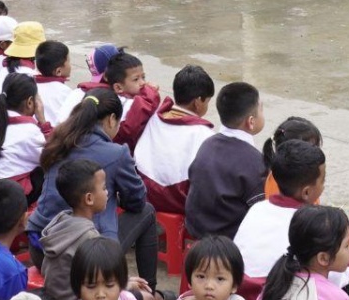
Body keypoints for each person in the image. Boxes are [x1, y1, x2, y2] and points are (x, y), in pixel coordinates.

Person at [28, 88, 159, 285]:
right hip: (84, 258)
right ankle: (151, 291)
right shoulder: (116, 153)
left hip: (41, 249)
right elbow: (137, 201)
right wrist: (114, 195)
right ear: (111, 119)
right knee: (147, 212)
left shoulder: (58, 141)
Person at [234, 140, 342, 285]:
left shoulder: (257, 208)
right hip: (276, 297)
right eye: (323, 181)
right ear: (306, 192)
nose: (324, 186)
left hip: (239, 289)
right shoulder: (314, 226)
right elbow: (335, 277)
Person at [184, 82, 267, 242]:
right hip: (229, 239)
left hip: (197, 228)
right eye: (261, 110)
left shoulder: (207, 144)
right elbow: (260, 212)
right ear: (251, 121)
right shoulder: (255, 161)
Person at [135, 65, 216, 214]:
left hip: (144, 193)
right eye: (207, 101)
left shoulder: (154, 118)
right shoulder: (204, 134)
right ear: (198, 102)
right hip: (177, 202)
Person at [38, 158, 106, 300]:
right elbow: (100, 284)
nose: (107, 192)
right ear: (89, 198)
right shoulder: (90, 237)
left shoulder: (61, 220)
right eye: (104, 188)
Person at [0, 74, 50, 195]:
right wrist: (43, 122)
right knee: (48, 172)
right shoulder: (30, 130)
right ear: (30, 102)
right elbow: (52, 156)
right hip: (6, 201)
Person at [104, 51, 160, 151]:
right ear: (118, 87)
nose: (142, 83)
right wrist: (151, 92)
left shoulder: (108, 97)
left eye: (143, 77)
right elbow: (147, 106)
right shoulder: (129, 104)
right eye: (136, 79)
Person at [30, 38, 83, 128]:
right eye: (69, 61)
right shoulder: (66, 93)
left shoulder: (31, 87)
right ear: (58, 71)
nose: (71, 65)